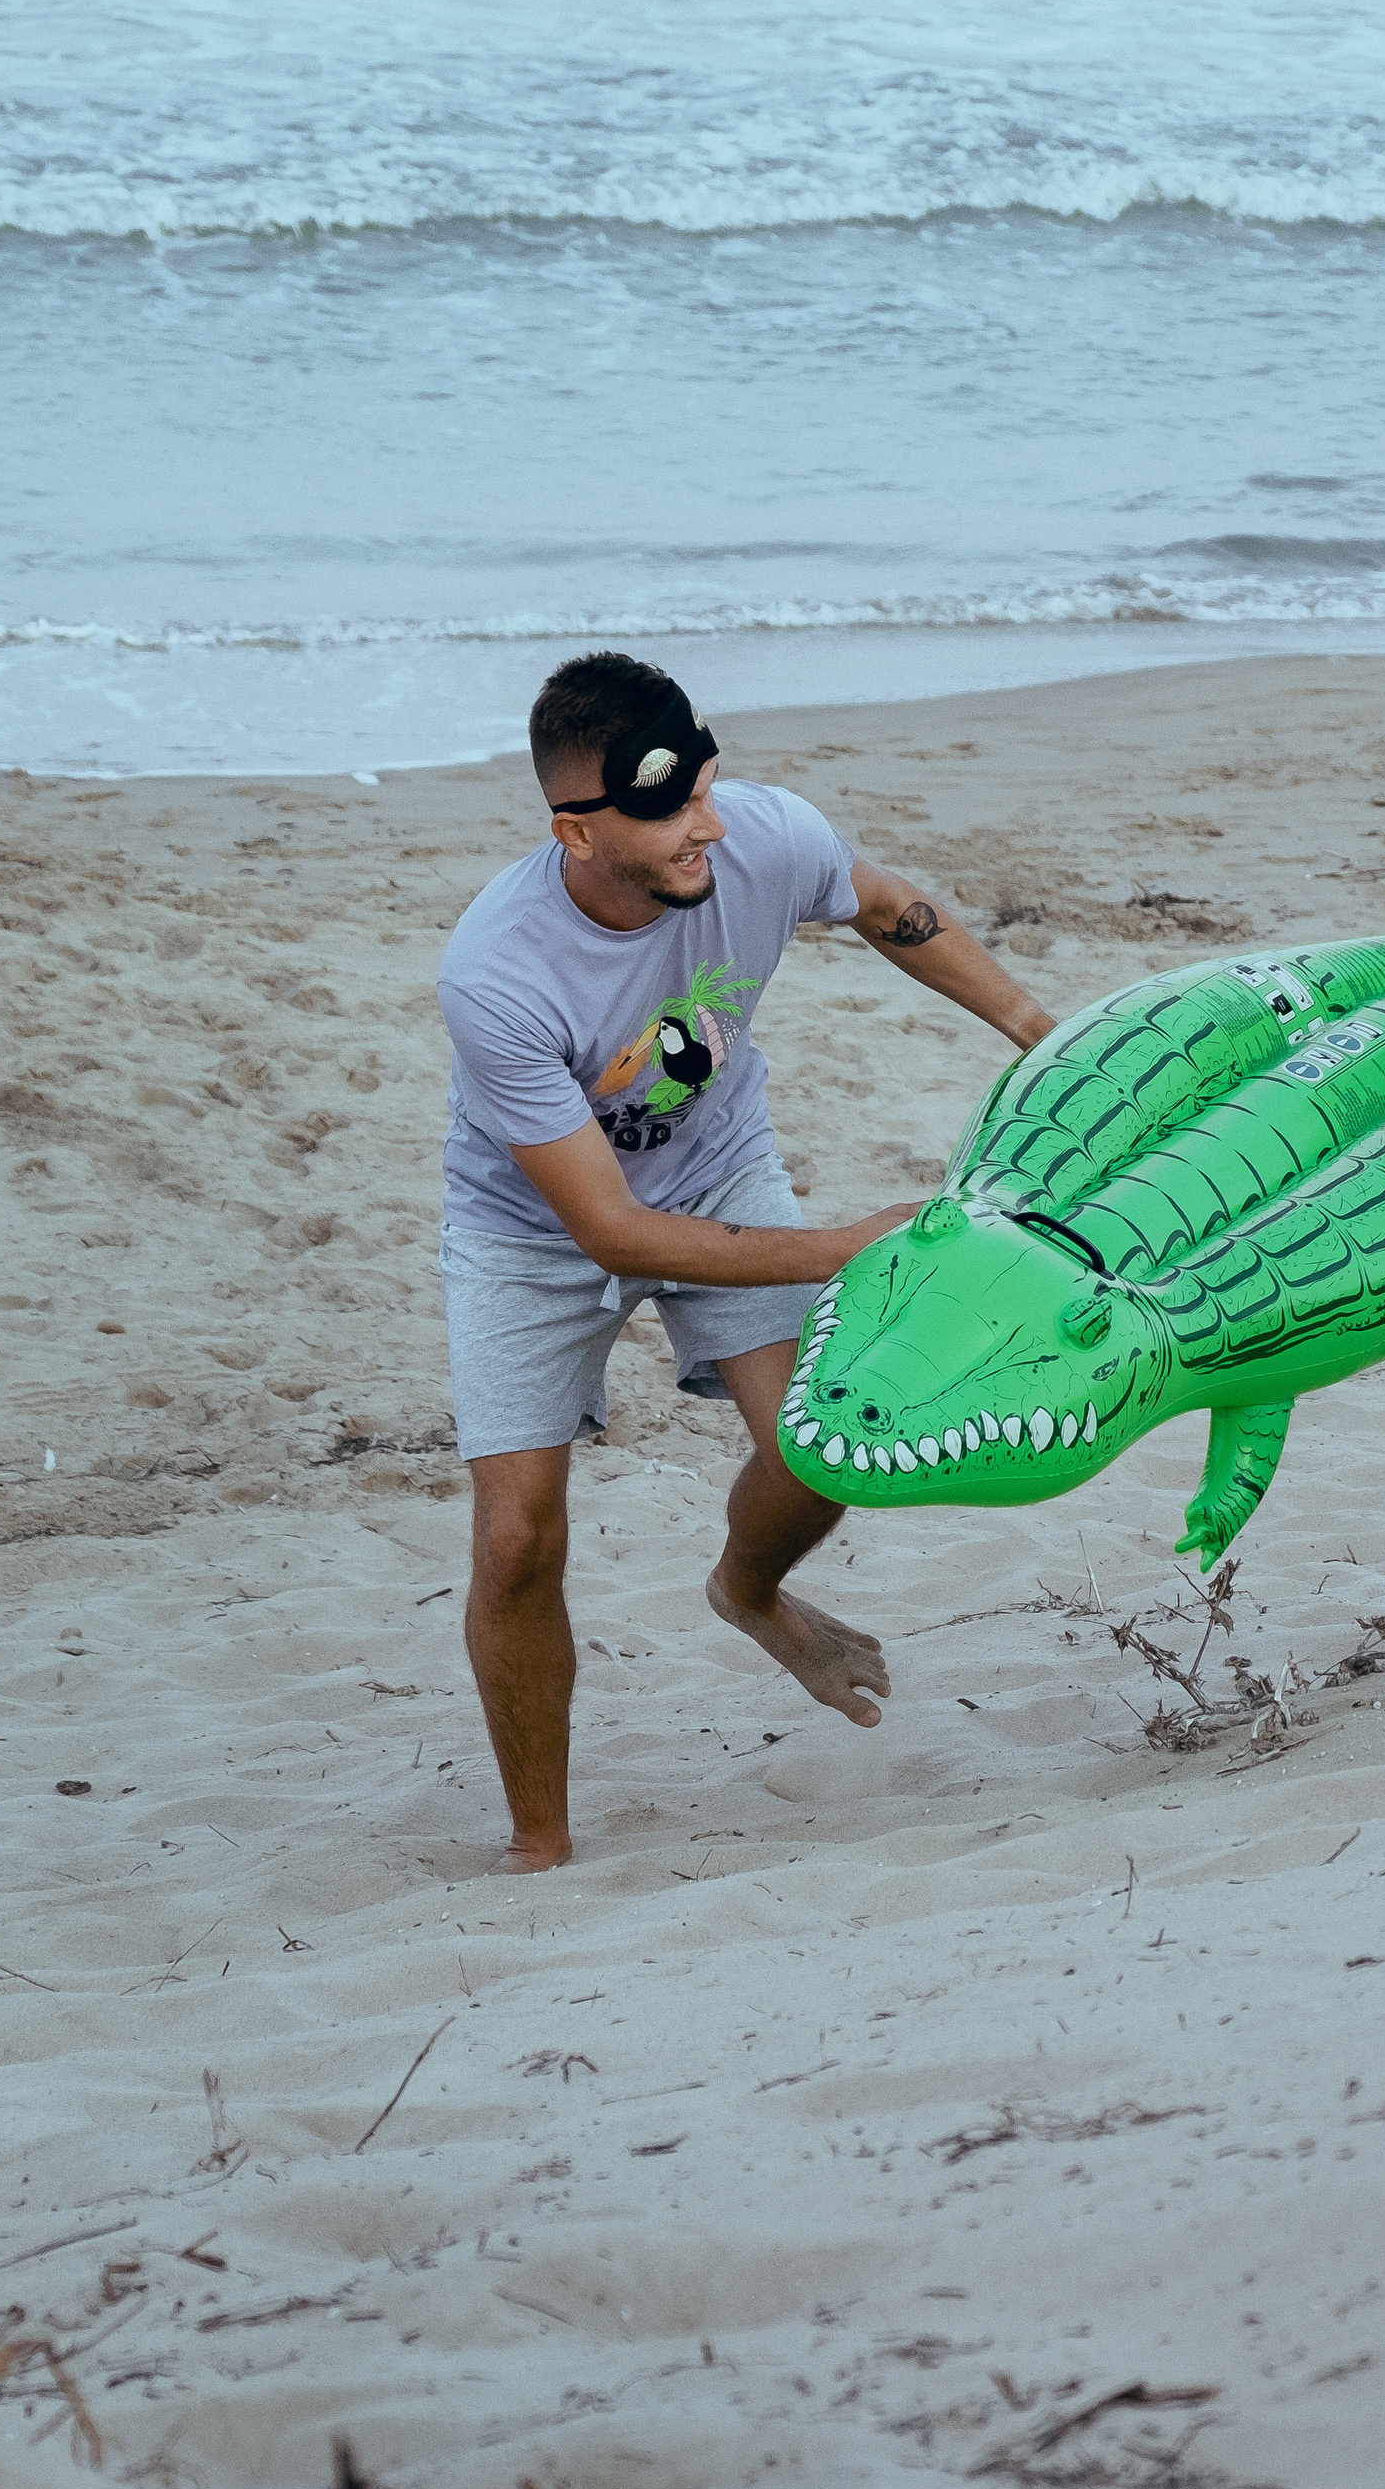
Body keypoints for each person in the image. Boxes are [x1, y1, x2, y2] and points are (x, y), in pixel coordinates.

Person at [436, 651, 1055, 1872]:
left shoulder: (759, 836)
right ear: (575, 828)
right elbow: (608, 1230)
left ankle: (750, 1588)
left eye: (709, 787)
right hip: (529, 1229)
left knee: (827, 1446)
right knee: (518, 1536)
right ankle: (540, 1845)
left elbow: (886, 907)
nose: (708, 826)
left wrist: (1039, 1034)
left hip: (718, 1168)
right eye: (671, 809)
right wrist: (842, 1243)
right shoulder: (496, 973)